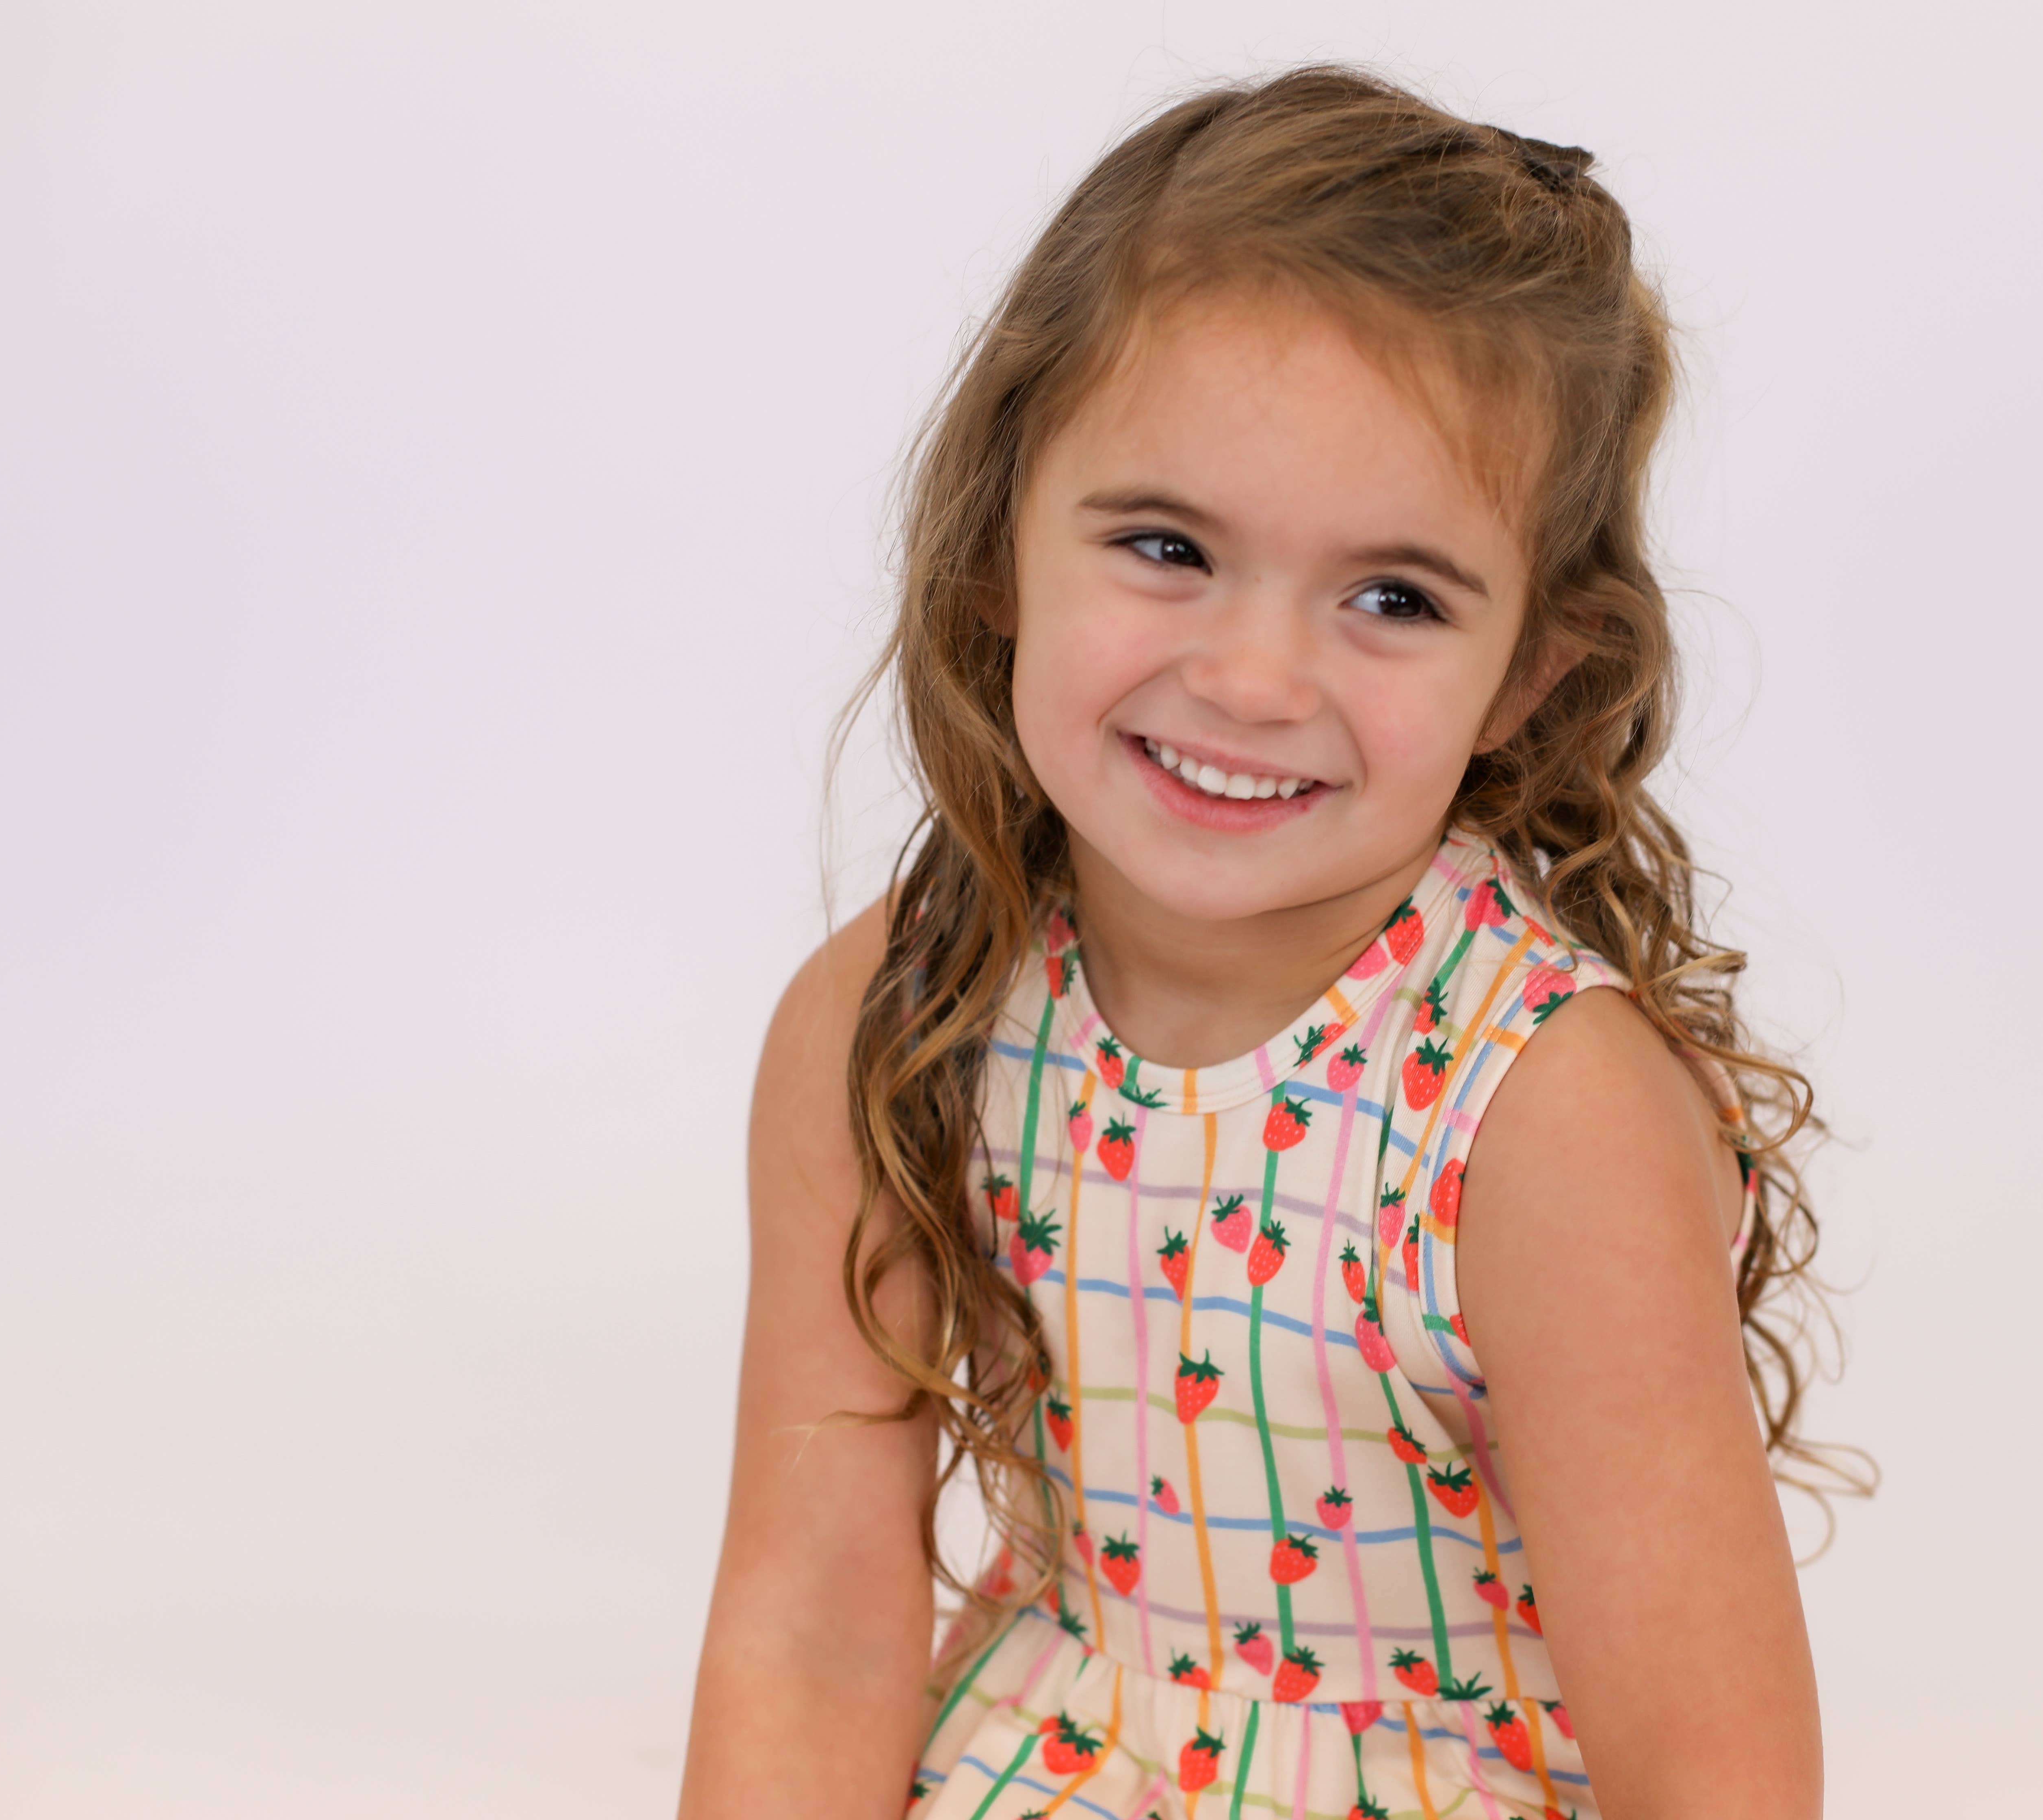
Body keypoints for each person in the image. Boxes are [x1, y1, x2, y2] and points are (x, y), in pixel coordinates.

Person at [677, 64, 1862, 1820]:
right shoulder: (894, 1014)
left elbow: (1719, 1768)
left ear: (1530, 673)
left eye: (1393, 597)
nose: (1251, 681)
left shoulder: (1545, 1116)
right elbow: (815, 1625)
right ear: (1001, 546)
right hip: (1050, 1763)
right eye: (1169, 546)